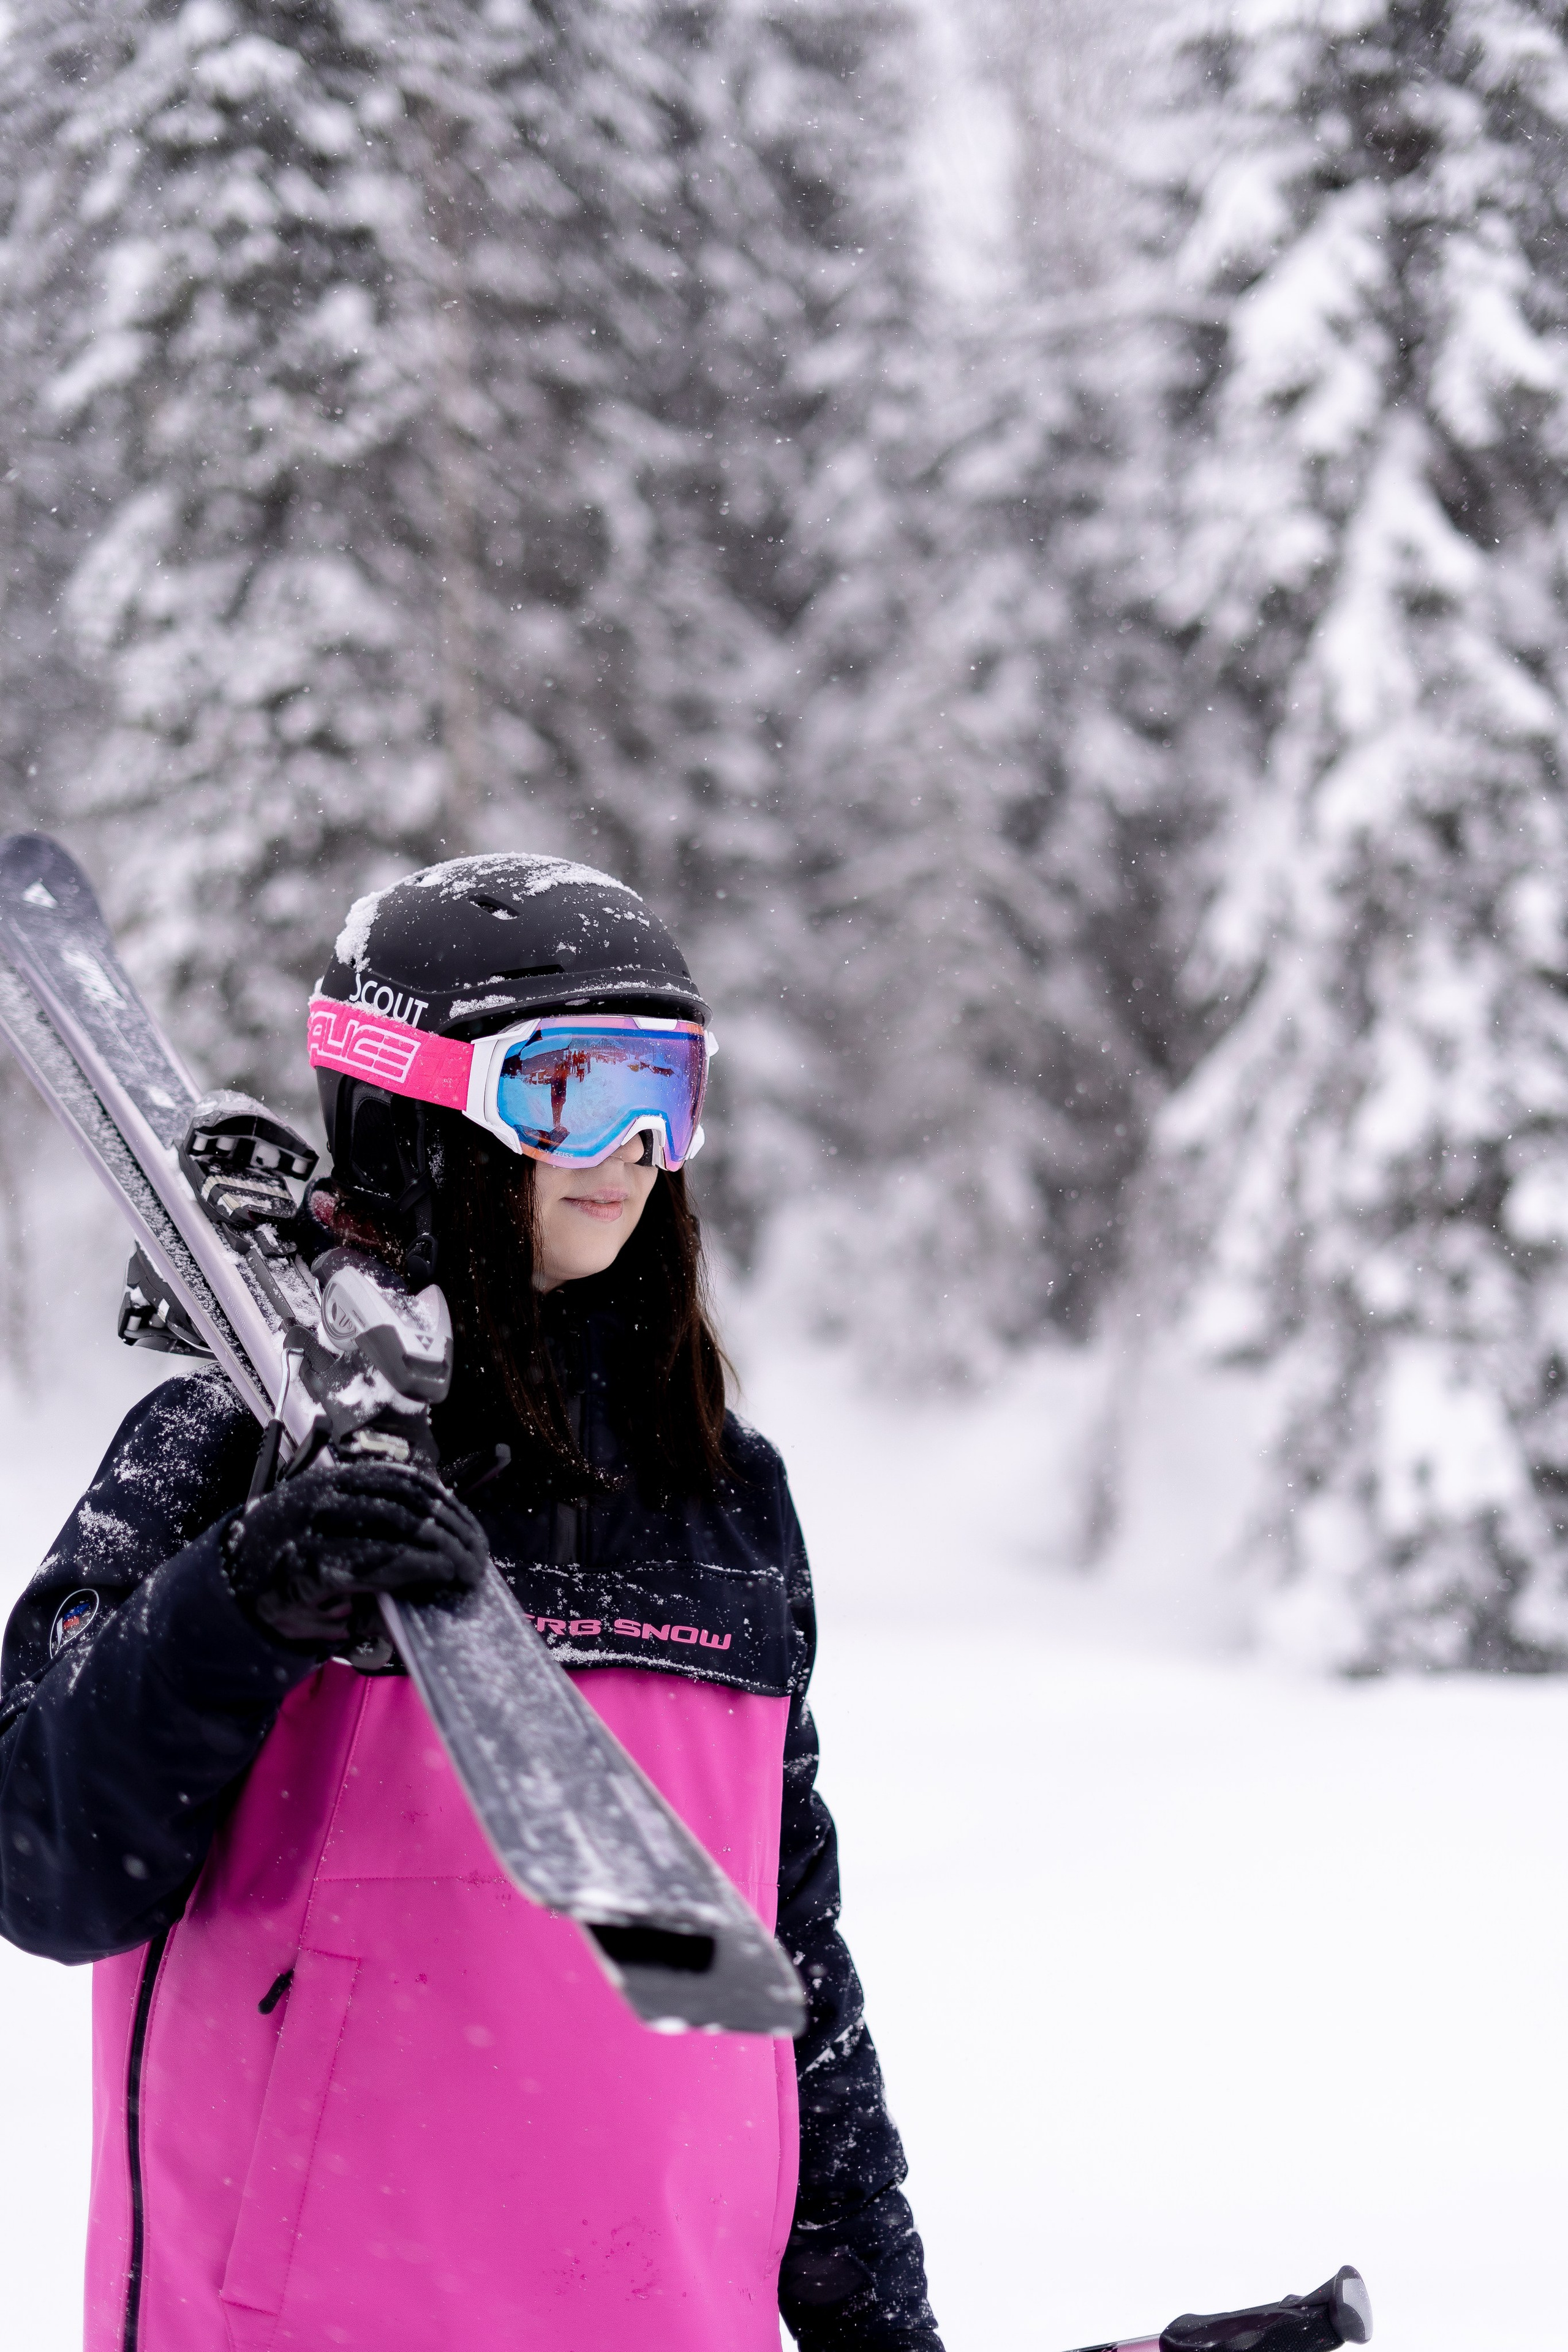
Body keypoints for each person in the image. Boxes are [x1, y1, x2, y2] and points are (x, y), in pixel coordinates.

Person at [0, 853, 943, 2352]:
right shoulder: (223, 1449)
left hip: (661, 2320)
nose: (633, 1148)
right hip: (325, 2315)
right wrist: (238, 1604)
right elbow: (44, 1866)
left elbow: (792, 1957)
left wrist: (871, 2320)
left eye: (670, 1091)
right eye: (573, 1089)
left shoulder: (723, 1493)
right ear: (417, 1104)